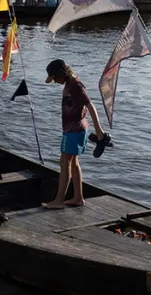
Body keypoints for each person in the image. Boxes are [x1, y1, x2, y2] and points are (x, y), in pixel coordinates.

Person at [42, 59, 105, 209]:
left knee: (64, 162)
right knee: (73, 162)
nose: (54, 81)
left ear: (62, 73)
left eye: (54, 78)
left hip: (74, 130)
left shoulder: (75, 85)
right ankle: (78, 198)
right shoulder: (70, 83)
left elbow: (90, 106)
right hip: (75, 129)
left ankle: (59, 200)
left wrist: (99, 131)